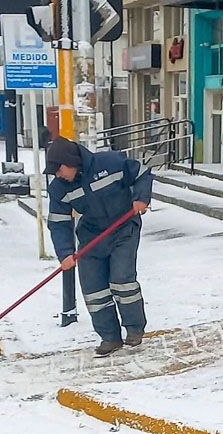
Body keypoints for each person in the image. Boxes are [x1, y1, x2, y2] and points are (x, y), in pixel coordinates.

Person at [45, 137, 153, 356]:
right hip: (92, 236)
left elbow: (142, 173)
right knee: (94, 289)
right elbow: (58, 222)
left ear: (71, 160)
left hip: (124, 228)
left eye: (60, 169)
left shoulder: (110, 163)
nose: (58, 174)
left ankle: (134, 328)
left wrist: (141, 198)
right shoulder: (59, 189)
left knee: (121, 279)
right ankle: (110, 337)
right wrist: (65, 253)